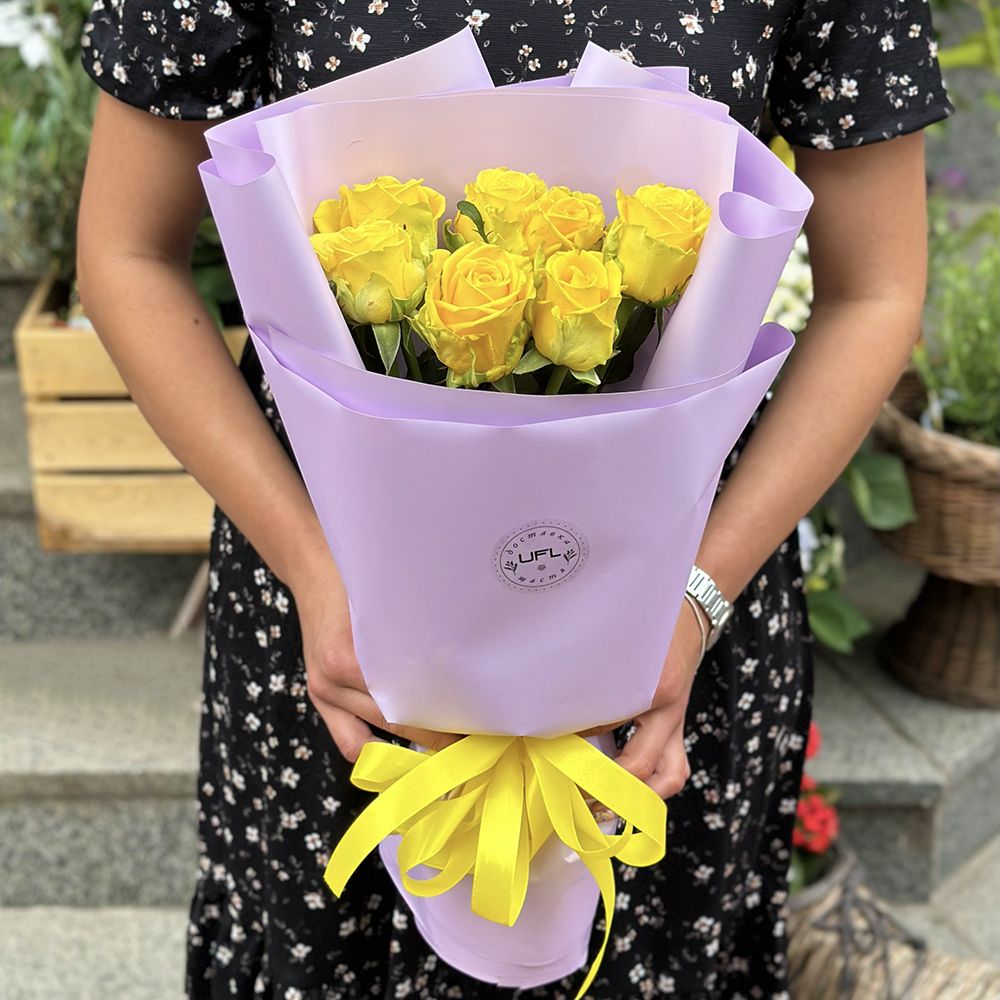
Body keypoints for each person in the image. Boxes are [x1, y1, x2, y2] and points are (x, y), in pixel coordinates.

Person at [76, 3, 951, 998]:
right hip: (333, 614)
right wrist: (314, 569)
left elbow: (875, 289)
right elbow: (126, 251)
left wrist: (692, 603)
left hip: (682, 602)